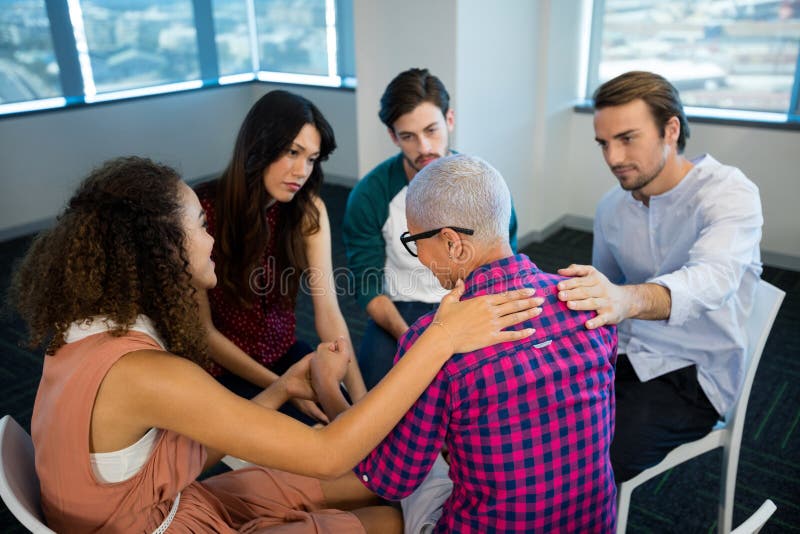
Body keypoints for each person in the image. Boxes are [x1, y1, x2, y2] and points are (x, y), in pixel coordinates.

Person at [11, 156, 544, 532]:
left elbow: (180, 445)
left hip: (147, 504)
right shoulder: (145, 373)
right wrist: (443, 336)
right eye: (199, 224)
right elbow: (327, 450)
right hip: (163, 520)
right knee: (382, 512)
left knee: (372, 489)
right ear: (162, 249)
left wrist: (287, 386)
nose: (211, 238)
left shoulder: (83, 333)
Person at [320, 154, 618, 532]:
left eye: (415, 242)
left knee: (418, 481)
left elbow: (389, 477)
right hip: (594, 523)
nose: (421, 259)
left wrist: (328, 385)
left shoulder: (437, 340)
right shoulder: (589, 302)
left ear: (453, 244)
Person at [556, 71, 764, 482]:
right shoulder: (611, 208)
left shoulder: (728, 193)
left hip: (695, 374)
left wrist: (626, 300)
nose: (613, 158)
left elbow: (713, 277)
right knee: (526, 418)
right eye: (604, 143)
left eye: (627, 138)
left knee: (591, 463)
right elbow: (604, 294)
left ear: (670, 129)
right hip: (622, 354)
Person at [343, 68, 519, 389]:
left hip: (471, 301)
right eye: (408, 136)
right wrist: (414, 340)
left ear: (449, 119)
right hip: (399, 311)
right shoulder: (369, 196)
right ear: (393, 137)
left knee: (499, 393)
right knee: (375, 398)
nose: (424, 147)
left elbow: (504, 267)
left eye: (431, 130)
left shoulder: (485, 185)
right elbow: (368, 290)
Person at [195, 89, 365, 421]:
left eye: (311, 158)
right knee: (295, 446)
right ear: (259, 146)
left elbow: (329, 313)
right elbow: (203, 332)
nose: (302, 171)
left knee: (345, 423)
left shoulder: (308, 210)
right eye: (292, 152)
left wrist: (362, 401)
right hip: (222, 369)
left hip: (284, 354)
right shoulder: (202, 211)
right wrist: (283, 388)